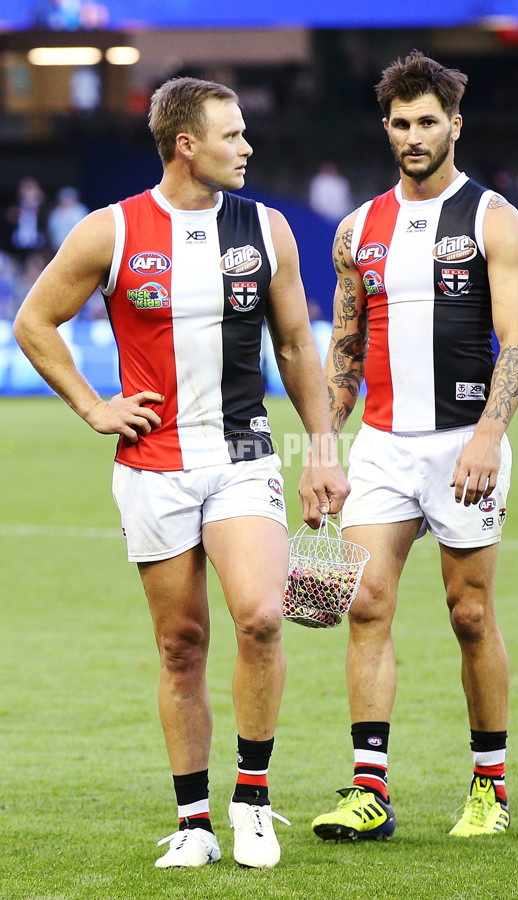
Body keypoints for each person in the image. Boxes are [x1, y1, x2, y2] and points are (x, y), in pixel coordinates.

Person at [13, 76, 349, 869]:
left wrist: (324, 448)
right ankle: (195, 821)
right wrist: (96, 407)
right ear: (187, 144)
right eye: (232, 135)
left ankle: (254, 805)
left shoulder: (267, 230)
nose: (248, 147)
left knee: (263, 617)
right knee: (182, 645)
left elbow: (298, 346)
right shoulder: (112, 231)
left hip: (244, 458)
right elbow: (34, 322)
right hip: (152, 466)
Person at [303, 51, 518, 841]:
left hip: (465, 445)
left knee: (469, 614)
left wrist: (488, 436)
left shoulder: (494, 219)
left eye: (427, 121)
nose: (413, 135)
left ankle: (489, 787)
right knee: (361, 604)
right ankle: (370, 792)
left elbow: (517, 341)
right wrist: (322, 450)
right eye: (400, 123)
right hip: (381, 446)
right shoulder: (355, 230)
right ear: (386, 127)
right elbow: (343, 347)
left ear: (454, 125)